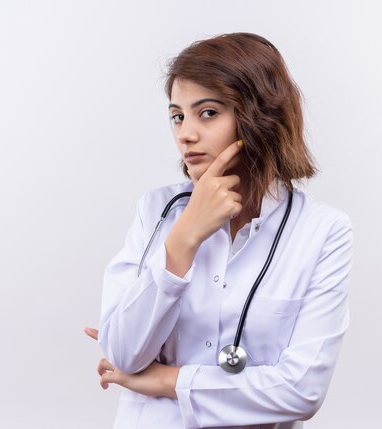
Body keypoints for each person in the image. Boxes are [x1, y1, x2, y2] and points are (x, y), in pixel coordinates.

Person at [84, 32, 353, 429]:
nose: (185, 134)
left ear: (259, 116)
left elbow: (301, 391)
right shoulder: (156, 211)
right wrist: (183, 241)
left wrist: (166, 380)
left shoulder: (323, 232)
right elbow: (123, 355)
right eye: (177, 115)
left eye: (207, 112)